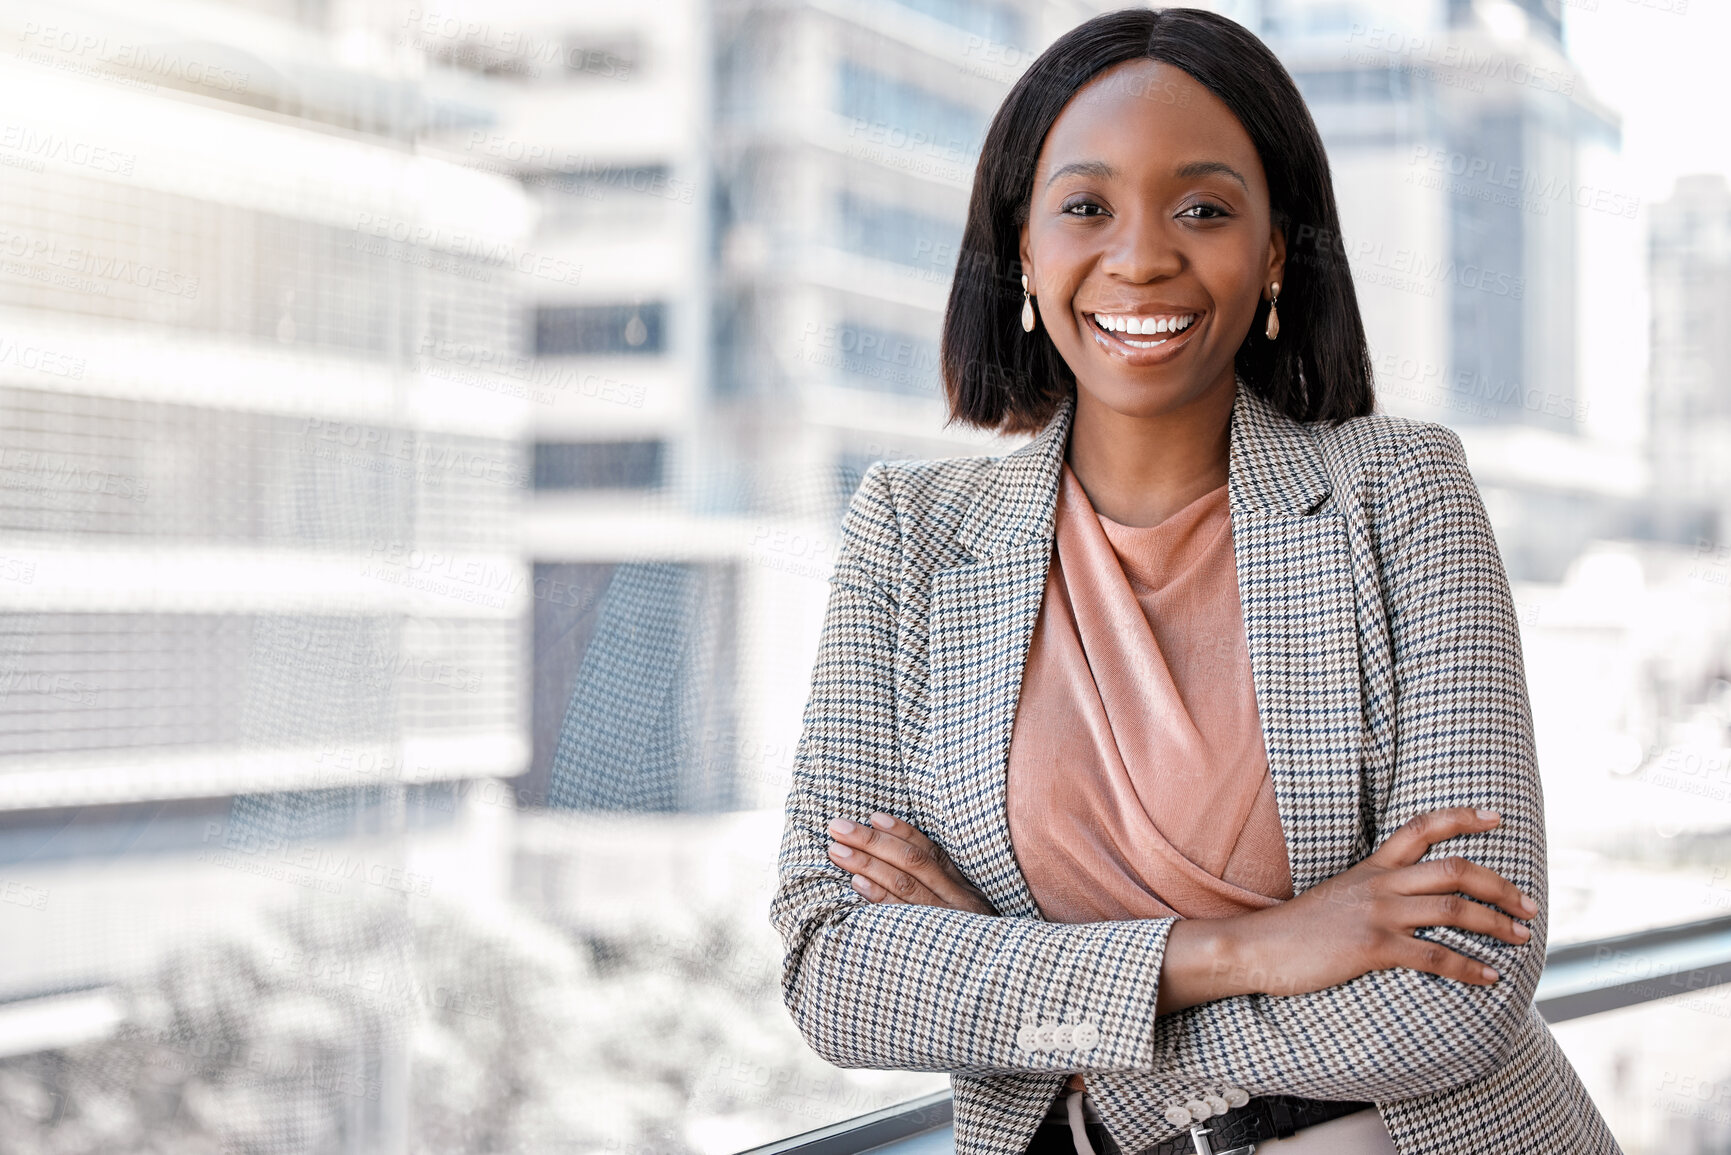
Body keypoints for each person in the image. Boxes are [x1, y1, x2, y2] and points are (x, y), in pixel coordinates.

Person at [768, 9, 1622, 1155]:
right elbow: (834, 970)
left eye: (1205, 209)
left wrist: (1074, 1056)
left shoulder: (1402, 495)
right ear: (1022, 246)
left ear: (1275, 251)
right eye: (1085, 207)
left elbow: (1461, 979)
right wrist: (1244, 948)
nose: (1141, 256)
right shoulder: (910, 537)